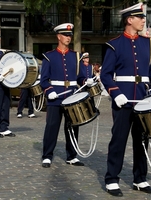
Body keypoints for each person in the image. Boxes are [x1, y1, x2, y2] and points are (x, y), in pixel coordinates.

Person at [100, 3, 151, 197]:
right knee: (119, 139)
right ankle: (111, 179)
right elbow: (105, 75)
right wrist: (116, 93)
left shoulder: (149, 44)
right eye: (140, 18)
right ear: (129, 19)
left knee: (142, 140)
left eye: (143, 18)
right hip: (123, 99)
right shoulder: (114, 44)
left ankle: (140, 178)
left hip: (143, 99)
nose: (143, 21)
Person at [40, 23, 92, 168]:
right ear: (58, 36)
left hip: (71, 95)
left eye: (70, 35)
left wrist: (85, 80)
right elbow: (43, 80)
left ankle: (72, 156)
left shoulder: (76, 56)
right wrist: (49, 90)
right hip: (55, 96)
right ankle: (47, 155)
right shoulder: (49, 56)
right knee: (52, 126)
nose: (68, 38)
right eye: (65, 35)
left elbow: (80, 77)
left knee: (72, 126)